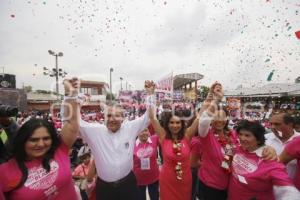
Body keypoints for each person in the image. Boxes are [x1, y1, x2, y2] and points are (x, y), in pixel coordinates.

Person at [64, 79, 155, 200]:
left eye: (116, 115)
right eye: (108, 116)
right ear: (104, 117)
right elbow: (71, 122)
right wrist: (69, 97)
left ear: (123, 118)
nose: (112, 119)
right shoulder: (95, 131)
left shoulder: (130, 128)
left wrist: (151, 95)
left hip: (128, 184)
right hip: (105, 188)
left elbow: (149, 118)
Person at [0, 78, 79, 199]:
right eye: (34, 140)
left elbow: (72, 123)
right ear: (22, 140)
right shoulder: (4, 172)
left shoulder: (58, 151)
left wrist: (71, 95)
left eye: (46, 138)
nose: (41, 144)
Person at [197, 82, 277, 200]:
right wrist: (216, 100)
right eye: (216, 117)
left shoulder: (233, 135)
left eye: (223, 117)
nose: (220, 120)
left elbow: (248, 146)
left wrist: (267, 148)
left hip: (230, 184)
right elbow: (203, 121)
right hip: (210, 185)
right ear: (211, 119)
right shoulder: (206, 136)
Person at [148, 87, 199, 200]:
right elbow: (152, 117)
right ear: (167, 124)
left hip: (185, 180)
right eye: (172, 122)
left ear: (182, 124)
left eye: (177, 123)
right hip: (167, 180)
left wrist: (211, 97)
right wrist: (151, 94)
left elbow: (199, 118)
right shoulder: (163, 136)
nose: (175, 125)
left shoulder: (187, 136)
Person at [228, 120, 300, 200]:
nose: (242, 138)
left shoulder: (269, 161)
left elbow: (287, 188)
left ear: (258, 139)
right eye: (240, 134)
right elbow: (228, 140)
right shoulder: (239, 148)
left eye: (247, 135)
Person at [265, 113, 300, 179]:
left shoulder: (298, 140)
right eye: (271, 124)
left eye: (277, 124)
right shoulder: (264, 139)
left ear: (290, 125)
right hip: (268, 184)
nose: (273, 127)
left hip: (292, 186)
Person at [133, 128, 159, 200]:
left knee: (155, 197)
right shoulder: (132, 144)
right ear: (137, 133)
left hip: (154, 177)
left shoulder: (154, 139)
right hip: (138, 179)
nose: (144, 133)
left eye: (146, 130)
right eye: (141, 131)